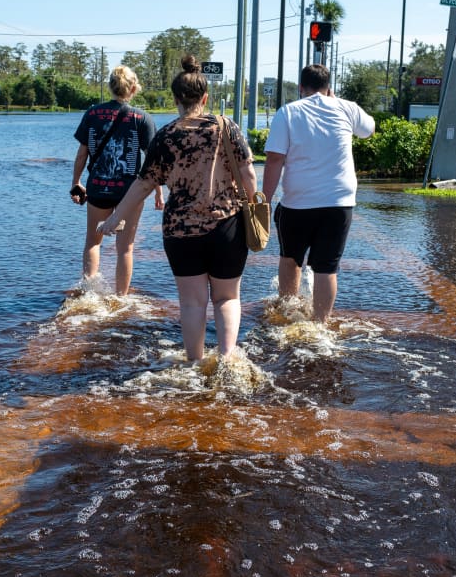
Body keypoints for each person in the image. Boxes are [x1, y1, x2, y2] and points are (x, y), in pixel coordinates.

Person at [99, 55, 258, 361]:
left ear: (175, 99)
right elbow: (249, 173)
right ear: (205, 97)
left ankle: (195, 363)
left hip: (181, 231)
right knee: (226, 298)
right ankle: (226, 358)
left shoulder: (166, 136)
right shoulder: (227, 128)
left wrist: (114, 219)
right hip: (228, 227)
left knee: (192, 303)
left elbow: (143, 184)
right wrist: (255, 206)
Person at [261, 63, 375, 325]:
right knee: (327, 268)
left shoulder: (288, 112)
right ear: (328, 88)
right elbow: (369, 130)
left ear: (301, 87)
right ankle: (321, 324)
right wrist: (336, 102)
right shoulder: (347, 108)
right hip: (339, 203)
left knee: (290, 260)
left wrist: (265, 201)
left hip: (297, 203)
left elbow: (275, 159)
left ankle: (288, 315)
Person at [70, 65, 163, 295]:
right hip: (129, 192)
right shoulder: (142, 119)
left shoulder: (92, 114)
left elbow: (82, 153)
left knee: (93, 242)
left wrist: (76, 181)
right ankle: (121, 298)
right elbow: (153, 161)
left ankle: (88, 294)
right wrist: (159, 192)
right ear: (133, 89)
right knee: (125, 249)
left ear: (110, 87)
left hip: (98, 188)